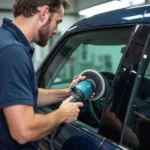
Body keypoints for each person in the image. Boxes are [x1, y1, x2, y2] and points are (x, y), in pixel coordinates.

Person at [0, 0, 86, 149]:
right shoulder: (13, 52)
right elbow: (24, 132)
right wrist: (61, 114)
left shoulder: (5, 40)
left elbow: (23, 95)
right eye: (57, 22)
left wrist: (68, 92)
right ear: (44, 13)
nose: (55, 30)